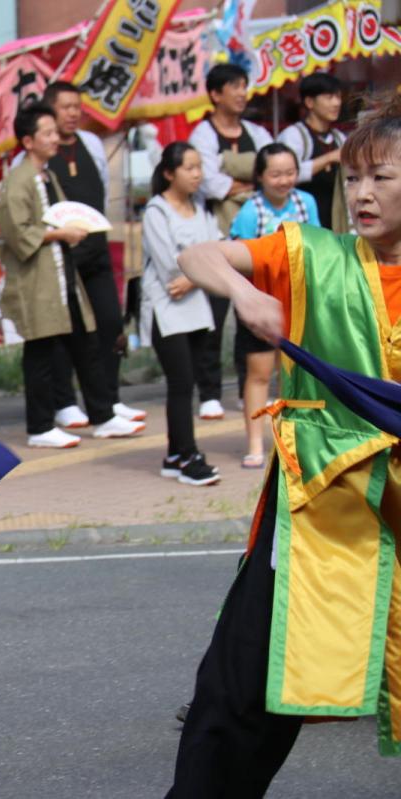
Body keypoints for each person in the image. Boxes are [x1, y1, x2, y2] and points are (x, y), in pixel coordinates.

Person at [166, 94, 401, 797]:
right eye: (352, 178)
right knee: (239, 688)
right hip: (319, 515)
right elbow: (198, 251)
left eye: (380, 177)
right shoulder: (313, 254)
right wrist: (242, 290)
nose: (360, 192)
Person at [0, 102, 145, 448]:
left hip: (64, 279)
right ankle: (40, 426)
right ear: (28, 141)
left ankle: (103, 416)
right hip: (39, 281)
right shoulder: (18, 181)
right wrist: (60, 235)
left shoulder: (47, 175)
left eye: (54, 132)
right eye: (46, 133)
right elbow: (18, 234)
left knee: (86, 345)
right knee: (41, 352)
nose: (54, 139)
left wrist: (66, 231)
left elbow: (58, 217)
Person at [37, 81, 145, 430]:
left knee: (110, 322)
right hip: (61, 254)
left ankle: (109, 398)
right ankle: (64, 402)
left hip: (96, 249)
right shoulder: (40, 153)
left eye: (76, 107)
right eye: (65, 107)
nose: (73, 113)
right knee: (65, 330)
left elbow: (102, 184)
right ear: (50, 110)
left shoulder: (92, 144)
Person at [188, 64, 274, 421]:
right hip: (216, 236)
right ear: (215, 94)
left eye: (244, 86)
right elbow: (209, 183)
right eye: (234, 87)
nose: (242, 93)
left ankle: (245, 389)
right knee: (213, 317)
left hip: (254, 240)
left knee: (249, 319)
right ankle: (208, 392)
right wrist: (250, 183)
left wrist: (232, 175)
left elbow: (272, 171)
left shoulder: (257, 131)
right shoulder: (203, 134)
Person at [228, 144, 319, 469]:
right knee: (259, 374)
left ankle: (295, 440)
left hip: (300, 303)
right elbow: (238, 255)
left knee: (296, 375)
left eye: (290, 173)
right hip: (261, 303)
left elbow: (317, 245)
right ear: (261, 177)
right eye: (276, 174)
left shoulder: (306, 202)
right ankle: (255, 443)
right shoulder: (251, 210)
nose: (284, 180)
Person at [140, 142, 222, 487]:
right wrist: (193, 275)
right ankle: (188, 456)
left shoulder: (201, 208)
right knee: (181, 383)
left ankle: (175, 455)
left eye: (199, 166)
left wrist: (193, 278)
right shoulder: (156, 211)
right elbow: (167, 267)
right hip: (166, 308)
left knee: (189, 382)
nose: (197, 174)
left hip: (197, 305)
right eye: (189, 167)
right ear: (170, 173)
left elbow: (217, 248)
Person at [277, 72, 348, 231]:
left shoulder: (339, 138)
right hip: (301, 219)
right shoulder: (294, 135)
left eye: (338, 97)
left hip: (336, 217)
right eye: (329, 97)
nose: (336, 103)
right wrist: (328, 159)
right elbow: (284, 175)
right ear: (309, 102)